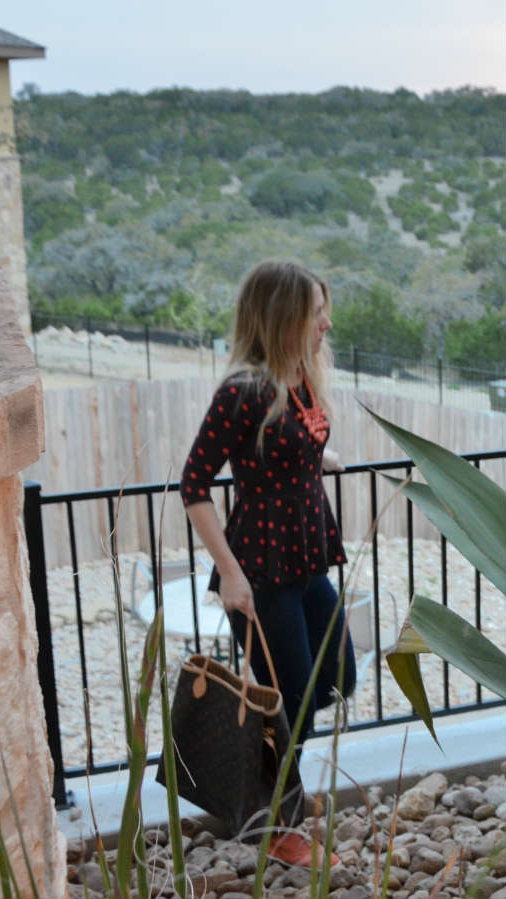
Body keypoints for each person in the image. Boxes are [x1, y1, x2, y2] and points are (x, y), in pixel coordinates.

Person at [180, 258, 356, 868]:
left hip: (305, 560)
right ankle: (277, 824)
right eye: (317, 313)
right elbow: (194, 484)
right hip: (261, 571)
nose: (326, 324)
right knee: (293, 702)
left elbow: (289, 441)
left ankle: (266, 775)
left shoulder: (298, 380)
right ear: (283, 319)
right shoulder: (243, 391)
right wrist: (230, 575)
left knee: (337, 674)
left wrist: (316, 457)